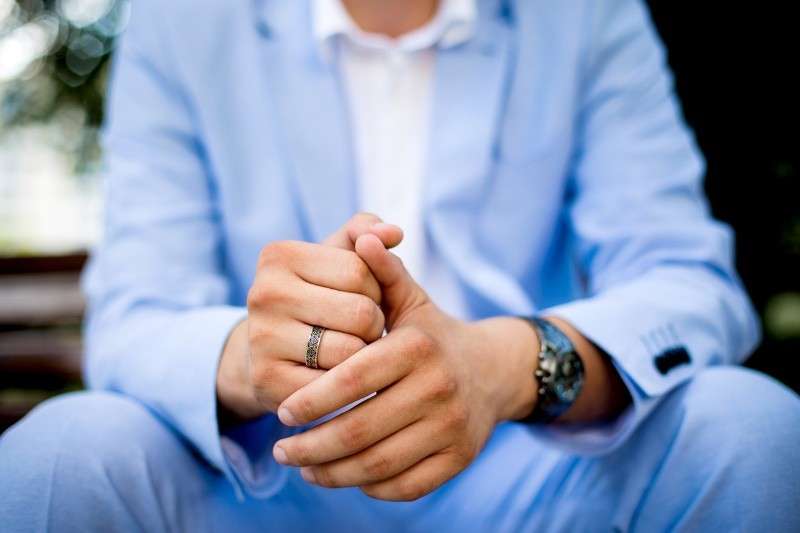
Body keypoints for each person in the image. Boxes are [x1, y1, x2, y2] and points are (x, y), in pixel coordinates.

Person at [2, 0, 799, 531]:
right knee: (63, 453)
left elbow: (688, 278)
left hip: (531, 475)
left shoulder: (584, 15)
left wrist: (507, 363)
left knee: (751, 428)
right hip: (264, 481)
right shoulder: (185, 19)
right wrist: (252, 355)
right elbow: (134, 311)